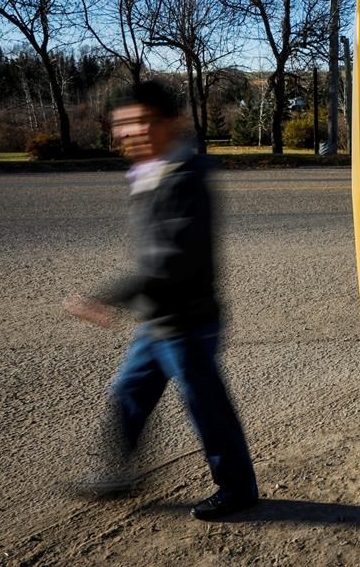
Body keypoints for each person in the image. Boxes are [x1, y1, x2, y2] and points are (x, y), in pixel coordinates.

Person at [64, 80, 258, 521]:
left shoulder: (185, 177)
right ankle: (117, 474)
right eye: (122, 125)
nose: (131, 132)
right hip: (160, 317)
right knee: (130, 393)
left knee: (206, 406)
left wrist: (112, 297)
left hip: (188, 320)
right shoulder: (153, 173)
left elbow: (173, 258)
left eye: (142, 122)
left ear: (173, 123)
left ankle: (239, 488)